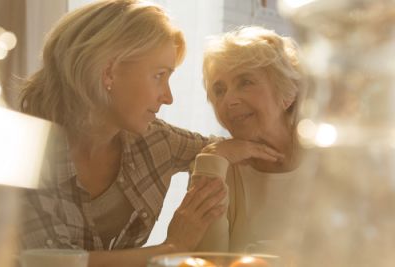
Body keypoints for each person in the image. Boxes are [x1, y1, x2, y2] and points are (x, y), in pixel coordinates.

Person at [17, 2, 284, 267]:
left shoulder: (155, 141)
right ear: (110, 72)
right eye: (159, 75)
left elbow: (237, 148)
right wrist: (172, 247)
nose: (168, 97)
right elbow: (48, 263)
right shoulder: (19, 151)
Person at [199, 25, 306, 255]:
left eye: (245, 82)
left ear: (286, 93)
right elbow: (206, 262)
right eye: (219, 90)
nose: (229, 100)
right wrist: (213, 160)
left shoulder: (331, 163)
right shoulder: (218, 164)